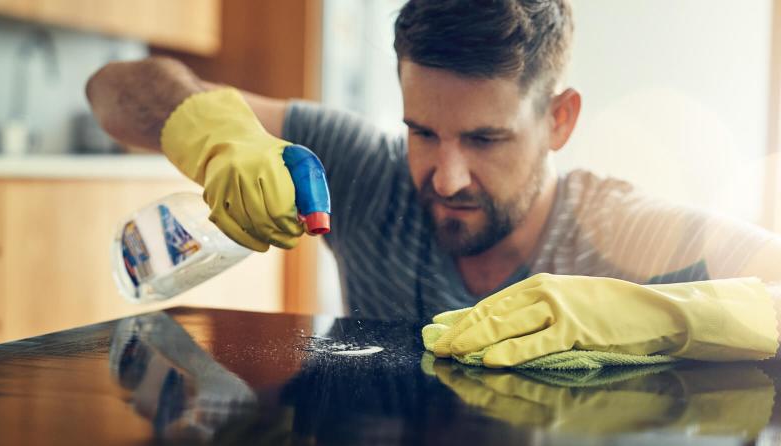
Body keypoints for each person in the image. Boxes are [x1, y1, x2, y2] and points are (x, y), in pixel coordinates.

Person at [85, 0, 781, 368]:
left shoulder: (622, 230)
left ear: (560, 120)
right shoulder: (362, 170)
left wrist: (654, 315)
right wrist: (218, 136)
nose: (445, 177)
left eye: (485, 139)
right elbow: (113, 89)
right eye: (423, 131)